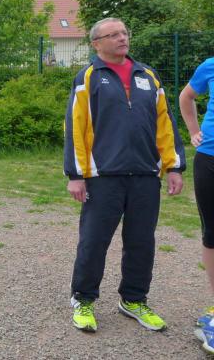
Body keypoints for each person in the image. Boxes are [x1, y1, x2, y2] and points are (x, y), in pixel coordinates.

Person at [64, 17, 185, 333]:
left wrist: (173, 166)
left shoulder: (148, 76)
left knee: (141, 241)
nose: (122, 38)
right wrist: (76, 174)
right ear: (96, 43)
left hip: (145, 174)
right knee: (94, 241)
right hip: (103, 175)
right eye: (113, 34)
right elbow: (75, 126)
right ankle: (83, 299)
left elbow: (165, 123)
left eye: (124, 32)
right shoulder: (88, 77)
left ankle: (133, 299)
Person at [179, 57, 214, 353]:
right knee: (212, 233)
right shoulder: (210, 66)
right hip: (210, 159)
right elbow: (186, 96)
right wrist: (193, 131)